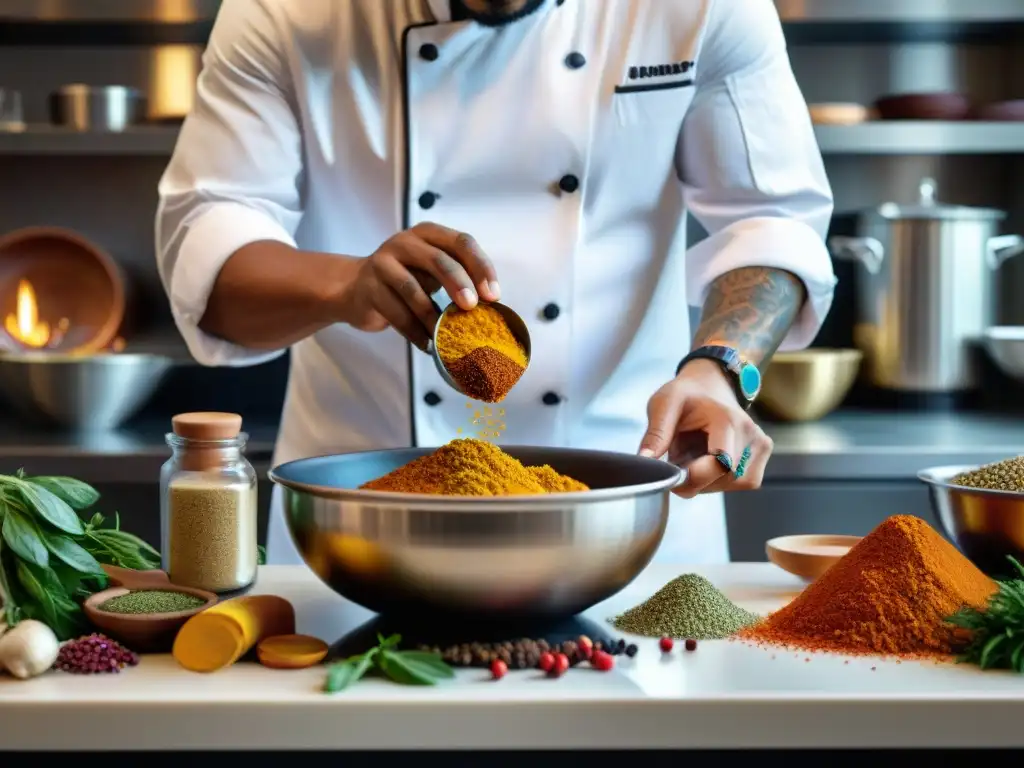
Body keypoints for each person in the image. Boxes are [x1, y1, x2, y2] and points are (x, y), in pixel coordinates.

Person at [156, 0, 836, 566]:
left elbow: (769, 220)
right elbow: (209, 264)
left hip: (628, 518)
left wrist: (720, 370)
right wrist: (346, 284)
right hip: (361, 532)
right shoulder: (285, 12)